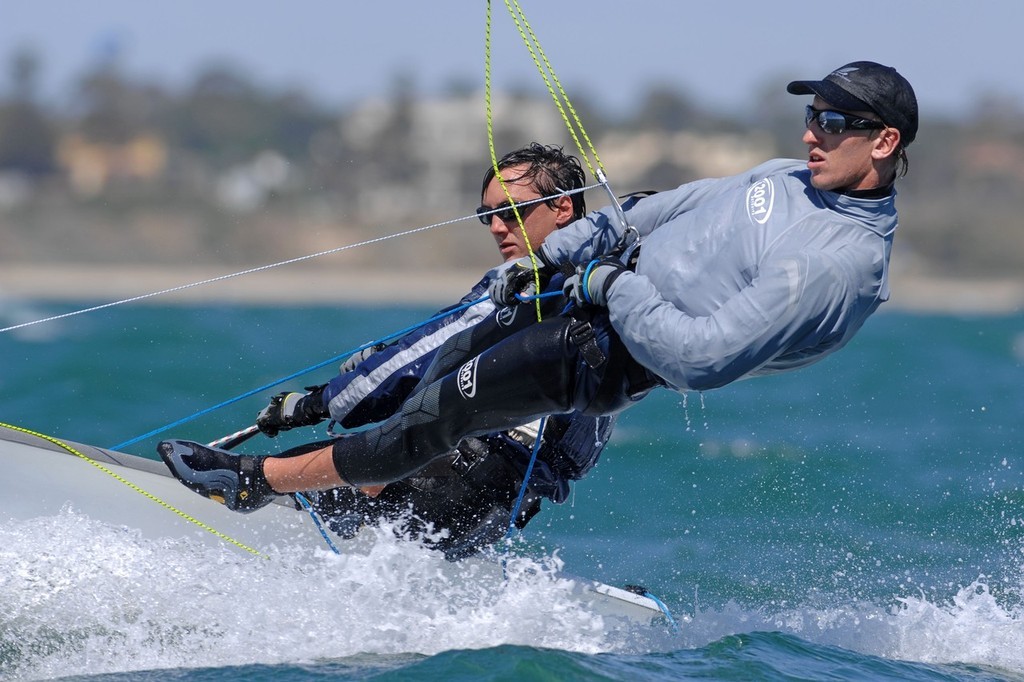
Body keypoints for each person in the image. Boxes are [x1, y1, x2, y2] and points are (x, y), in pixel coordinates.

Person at [161, 61, 917, 535]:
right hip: (586, 323)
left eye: (837, 124)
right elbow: (665, 209)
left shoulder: (834, 264)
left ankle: (255, 484)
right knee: (445, 365)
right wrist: (560, 255)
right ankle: (325, 492)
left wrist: (605, 282)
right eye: (813, 116)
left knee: (440, 408)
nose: (815, 134)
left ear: (882, 143)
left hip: (599, 355)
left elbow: (702, 361)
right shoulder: (787, 174)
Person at [178, 143, 614, 559]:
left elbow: (421, 358)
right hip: (501, 511)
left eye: (511, 212)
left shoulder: (525, 283)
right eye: (488, 216)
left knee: (310, 466)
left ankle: (238, 486)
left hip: (444, 486)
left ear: (562, 208)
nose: (498, 227)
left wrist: (314, 404)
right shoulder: (606, 285)